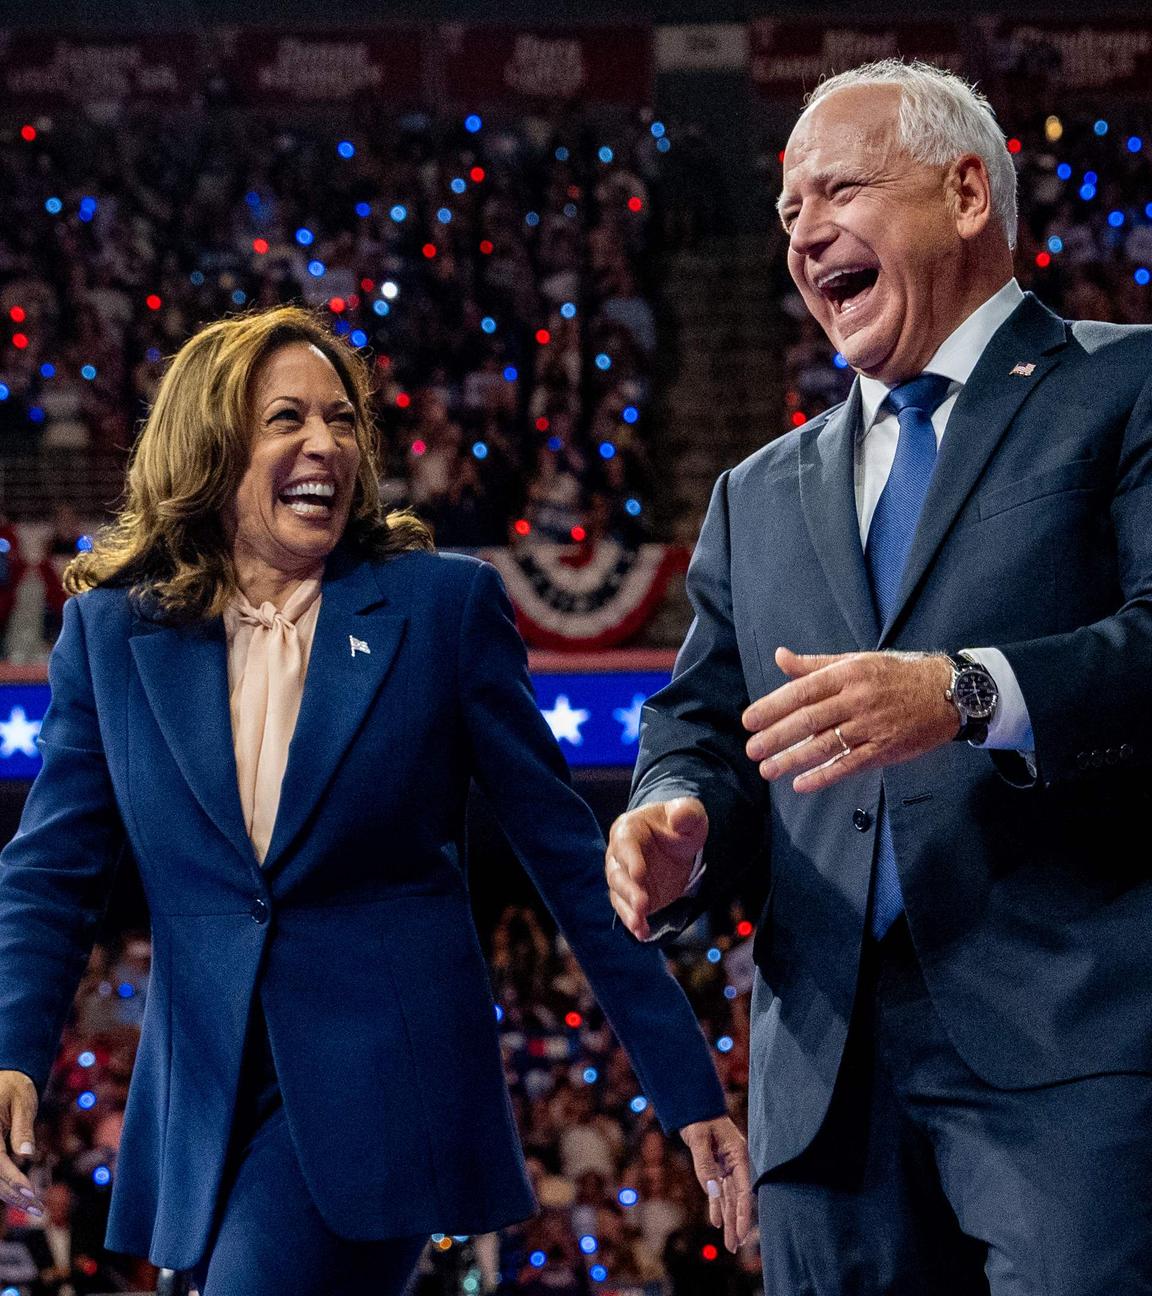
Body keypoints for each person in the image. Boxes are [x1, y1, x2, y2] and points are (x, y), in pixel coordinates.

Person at [0, 305, 749, 1295]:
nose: (327, 443)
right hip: (204, 1113)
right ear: (210, 446)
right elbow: (51, 868)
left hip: (384, 1095)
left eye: (342, 418)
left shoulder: (440, 610)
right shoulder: (109, 637)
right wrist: (12, 1050)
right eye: (285, 420)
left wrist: (686, 1088)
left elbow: (571, 863)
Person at [606, 59, 1152, 1295]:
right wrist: (672, 816)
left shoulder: (1124, 389)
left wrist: (964, 691)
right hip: (824, 1085)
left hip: (1073, 1058)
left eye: (838, 191)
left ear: (967, 194)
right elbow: (698, 724)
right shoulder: (758, 494)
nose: (803, 234)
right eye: (788, 211)